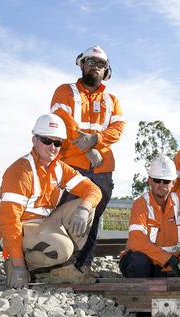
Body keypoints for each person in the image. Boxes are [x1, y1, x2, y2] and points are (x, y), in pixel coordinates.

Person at [0, 114, 102, 288]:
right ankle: (19, 264)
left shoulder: (59, 167)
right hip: (19, 228)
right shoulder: (21, 171)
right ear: (34, 140)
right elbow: (9, 221)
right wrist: (18, 264)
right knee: (64, 248)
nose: (53, 147)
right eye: (47, 140)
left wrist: (83, 208)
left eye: (58, 143)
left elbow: (93, 190)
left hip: (43, 223)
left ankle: (62, 269)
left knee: (88, 206)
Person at [50, 45, 126, 275]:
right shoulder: (65, 91)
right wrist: (87, 150)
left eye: (100, 64)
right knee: (65, 214)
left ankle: (82, 266)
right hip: (70, 165)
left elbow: (118, 128)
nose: (95, 67)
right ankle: (59, 264)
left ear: (107, 72)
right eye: (90, 62)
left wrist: (96, 139)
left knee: (92, 217)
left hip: (102, 169)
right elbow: (63, 122)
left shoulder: (112, 100)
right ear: (81, 64)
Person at [120, 156, 180, 278]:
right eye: (157, 180)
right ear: (149, 180)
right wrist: (167, 259)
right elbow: (136, 241)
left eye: (166, 181)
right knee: (138, 261)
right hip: (144, 264)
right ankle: (141, 295)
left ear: (173, 183)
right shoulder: (141, 204)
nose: (161, 185)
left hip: (170, 267)